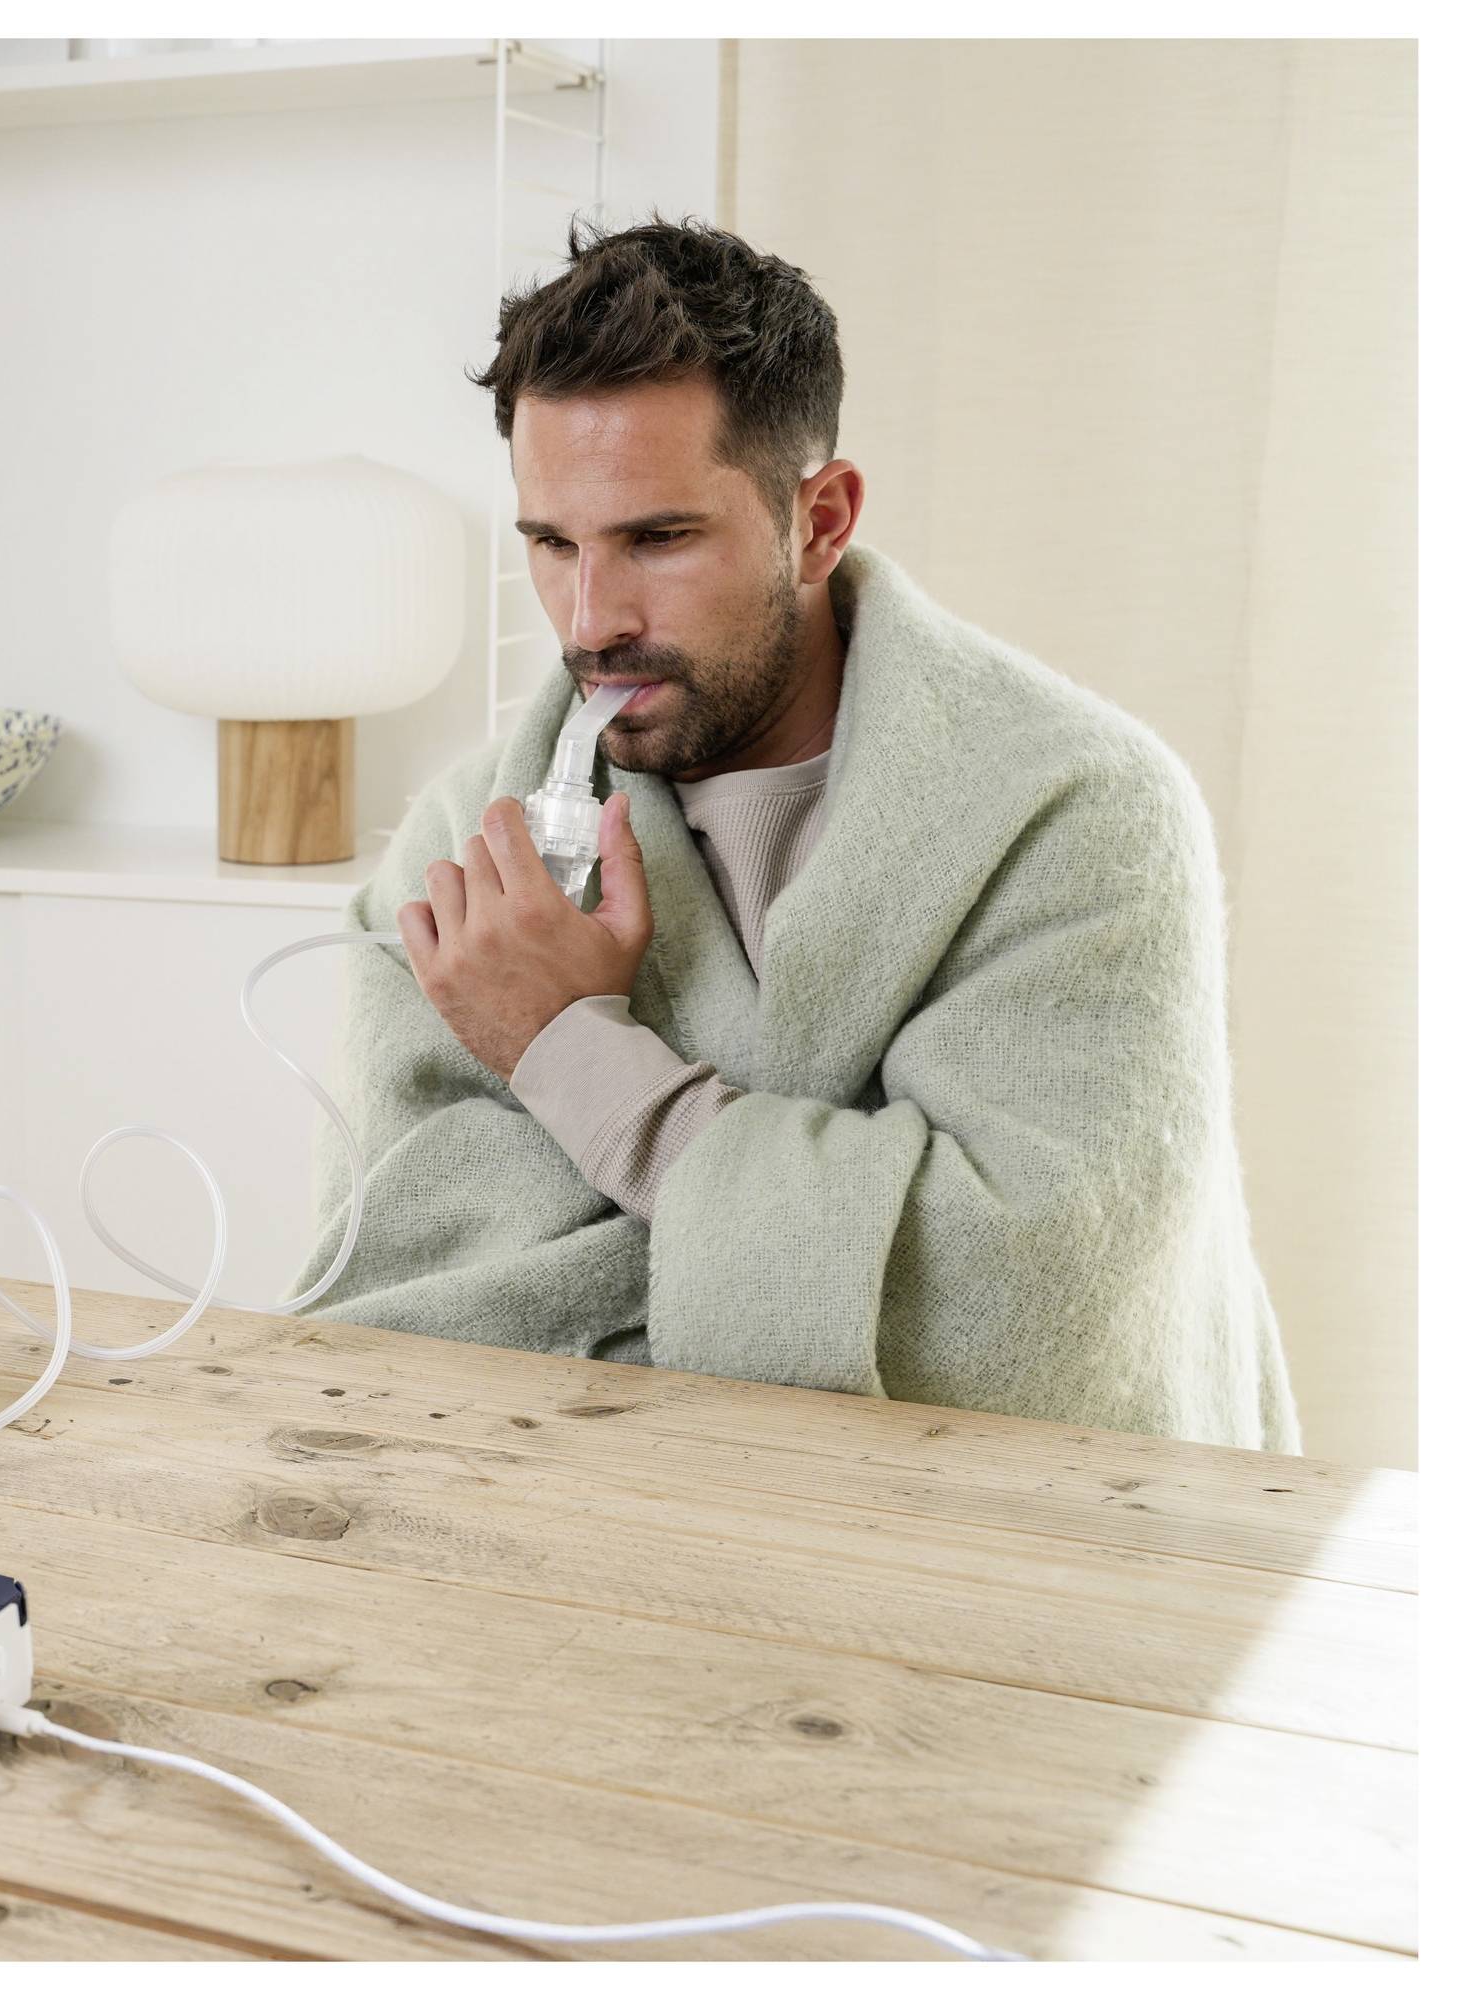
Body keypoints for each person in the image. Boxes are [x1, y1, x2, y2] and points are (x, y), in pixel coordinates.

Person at [296, 217, 1297, 1451]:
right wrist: (819, 1254)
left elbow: (1022, 1313)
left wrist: (569, 1051)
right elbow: (420, 1295)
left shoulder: (1081, 815)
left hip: (1051, 1547)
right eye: (552, 543)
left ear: (819, 520)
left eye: (658, 538)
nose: (591, 619)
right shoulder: (465, 842)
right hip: (588, 1536)